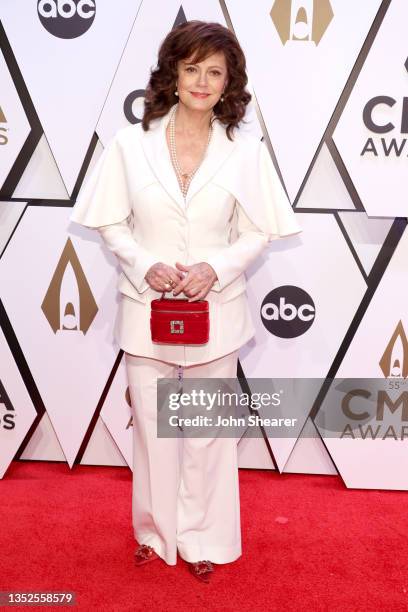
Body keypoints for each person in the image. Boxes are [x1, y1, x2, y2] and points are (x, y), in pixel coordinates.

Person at [70, 20, 302, 583]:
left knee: (205, 432)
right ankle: (155, 531)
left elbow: (258, 232)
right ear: (172, 73)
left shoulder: (246, 152)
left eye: (214, 72)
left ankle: (205, 538)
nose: (202, 81)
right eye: (191, 68)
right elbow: (109, 222)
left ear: (230, 83)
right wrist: (144, 262)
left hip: (215, 308)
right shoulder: (130, 144)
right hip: (146, 304)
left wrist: (214, 268)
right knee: (152, 427)